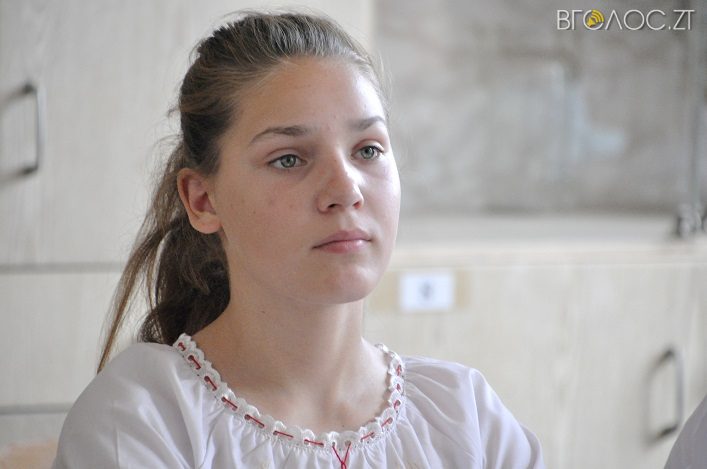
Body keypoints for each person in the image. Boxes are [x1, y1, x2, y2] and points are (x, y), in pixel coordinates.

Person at [52, 10, 545, 468]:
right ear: (203, 200)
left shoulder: (467, 416)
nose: (346, 190)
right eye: (288, 159)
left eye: (368, 150)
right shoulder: (144, 417)